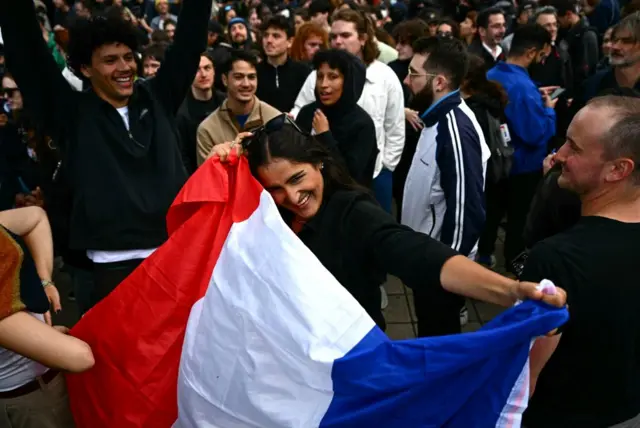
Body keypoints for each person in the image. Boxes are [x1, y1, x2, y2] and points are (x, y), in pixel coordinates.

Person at [207, 122, 567, 333]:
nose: (292, 196)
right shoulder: (270, 213)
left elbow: (417, 253)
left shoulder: (354, 213)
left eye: (297, 178)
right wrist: (221, 167)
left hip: (349, 348)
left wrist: (509, 291)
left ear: (318, 163)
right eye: (275, 189)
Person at [0, 0, 213, 308]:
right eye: (110, 60)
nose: (124, 67)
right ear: (85, 68)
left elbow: (191, 40)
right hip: (107, 269)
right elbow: (27, 54)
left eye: (128, 57)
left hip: (174, 255)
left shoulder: (160, 96)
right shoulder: (70, 114)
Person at [522, 95, 640, 428]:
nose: (558, 155)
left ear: (618, 169)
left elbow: (522, 377)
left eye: (574, 147)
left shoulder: (556, 260)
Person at [402, 37, 490, 336]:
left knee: (438, 338)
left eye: (414, 74)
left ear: (439, 82)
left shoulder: (455, 131)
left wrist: (443, 270)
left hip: (438, 270)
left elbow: (468, 213)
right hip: (425, 260)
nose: (406, 80)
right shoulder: (436, 120)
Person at [0, 206, 94, 427]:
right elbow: (79, 357)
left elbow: (34, 217)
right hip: (29, 400)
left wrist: (45, 281)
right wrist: (52, 337)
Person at [487, 24, 557, 272]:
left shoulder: (493, 74)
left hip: (495, 163)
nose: (543, 59)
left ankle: (484, 254)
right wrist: (548, 110)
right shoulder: (523, 88)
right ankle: (516, 261)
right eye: (542, 54)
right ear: (531, 52)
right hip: (523, 166)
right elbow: (535, 133)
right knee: (519, 219)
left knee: (492, 213)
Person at [295, 49, 377, 187]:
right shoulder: (307, 113)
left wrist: (324, 136)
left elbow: (349, 176)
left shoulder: (362, 124)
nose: (323, 84)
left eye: (333, 77)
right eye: (320, 76)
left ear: (348, 81)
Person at [196, 50, 280, 165]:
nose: (246, 84)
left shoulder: (275, 119)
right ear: (225, 80)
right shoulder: (208, 129)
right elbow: (206, 179)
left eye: (251, 77)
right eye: (238, 77)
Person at [176, 52, 226, 175]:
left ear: (214, 71)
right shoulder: (181, 112)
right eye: (196, 70)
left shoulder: (226, 102)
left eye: (207, 68)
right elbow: (183, 155)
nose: (203, 74)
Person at [256, 15, 311, 113]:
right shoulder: (254, 73)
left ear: (289, 42)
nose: (269, 40)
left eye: (276, 36)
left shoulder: (303, 72)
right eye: (265, 35)